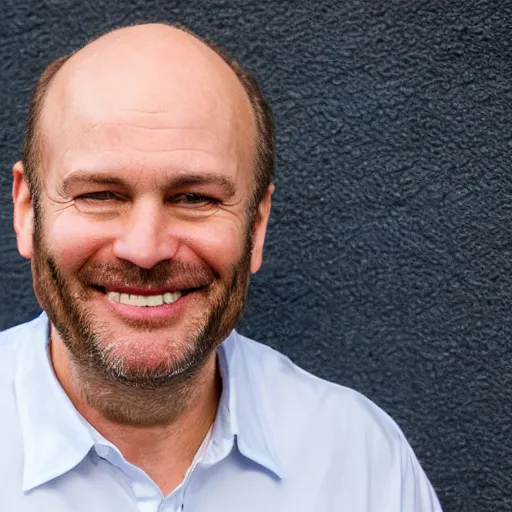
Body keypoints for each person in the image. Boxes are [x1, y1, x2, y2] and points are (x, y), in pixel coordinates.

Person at [1, 22, 443, 511]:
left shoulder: (361, 461)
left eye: (194, 198)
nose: (145, 249)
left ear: (255, 226)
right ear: (26, 210)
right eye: (100, 195)